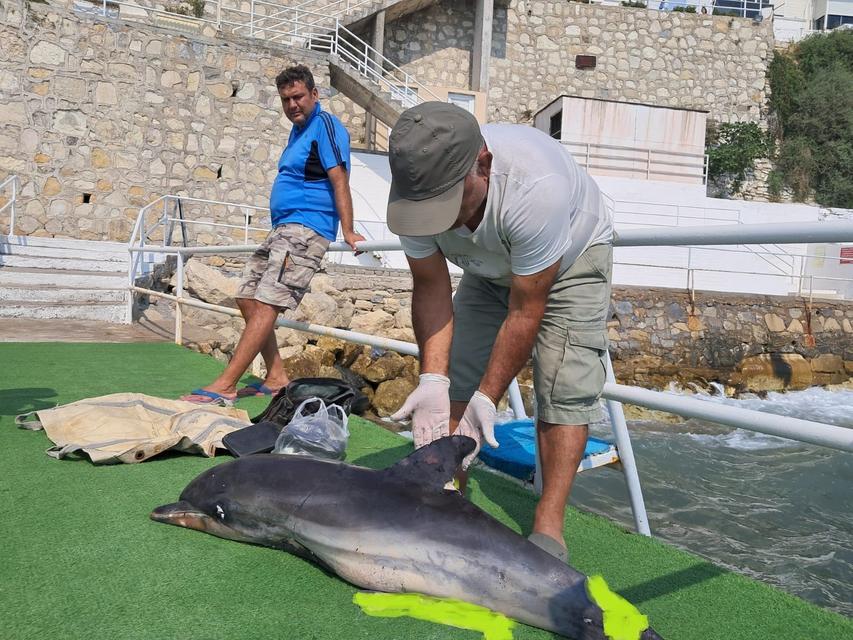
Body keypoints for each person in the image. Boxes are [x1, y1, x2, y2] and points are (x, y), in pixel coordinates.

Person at [388, 102, 613, 562]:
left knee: (562, 386)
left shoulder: (537, 189)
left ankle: (548, 527)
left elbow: (527, 308)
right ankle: (446, 501)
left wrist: (488, 398)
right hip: (488, 267)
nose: (439, 222)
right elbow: (430, 286)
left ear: (483, 165)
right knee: (454, 375)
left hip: (570, 257)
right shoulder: (414, 187)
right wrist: (433, 379)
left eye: (446, 205)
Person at [182, 65, 364, 405]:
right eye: (286, 99)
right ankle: (277, 375)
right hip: (283, 228)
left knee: (267, 304)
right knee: (246, 297)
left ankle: (225, 385)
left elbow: (339, 179)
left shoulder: (325, 125)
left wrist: (350, 230)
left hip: (306, 229)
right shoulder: (298, 131)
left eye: (298, 97)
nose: (293, 105)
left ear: (314, 94)